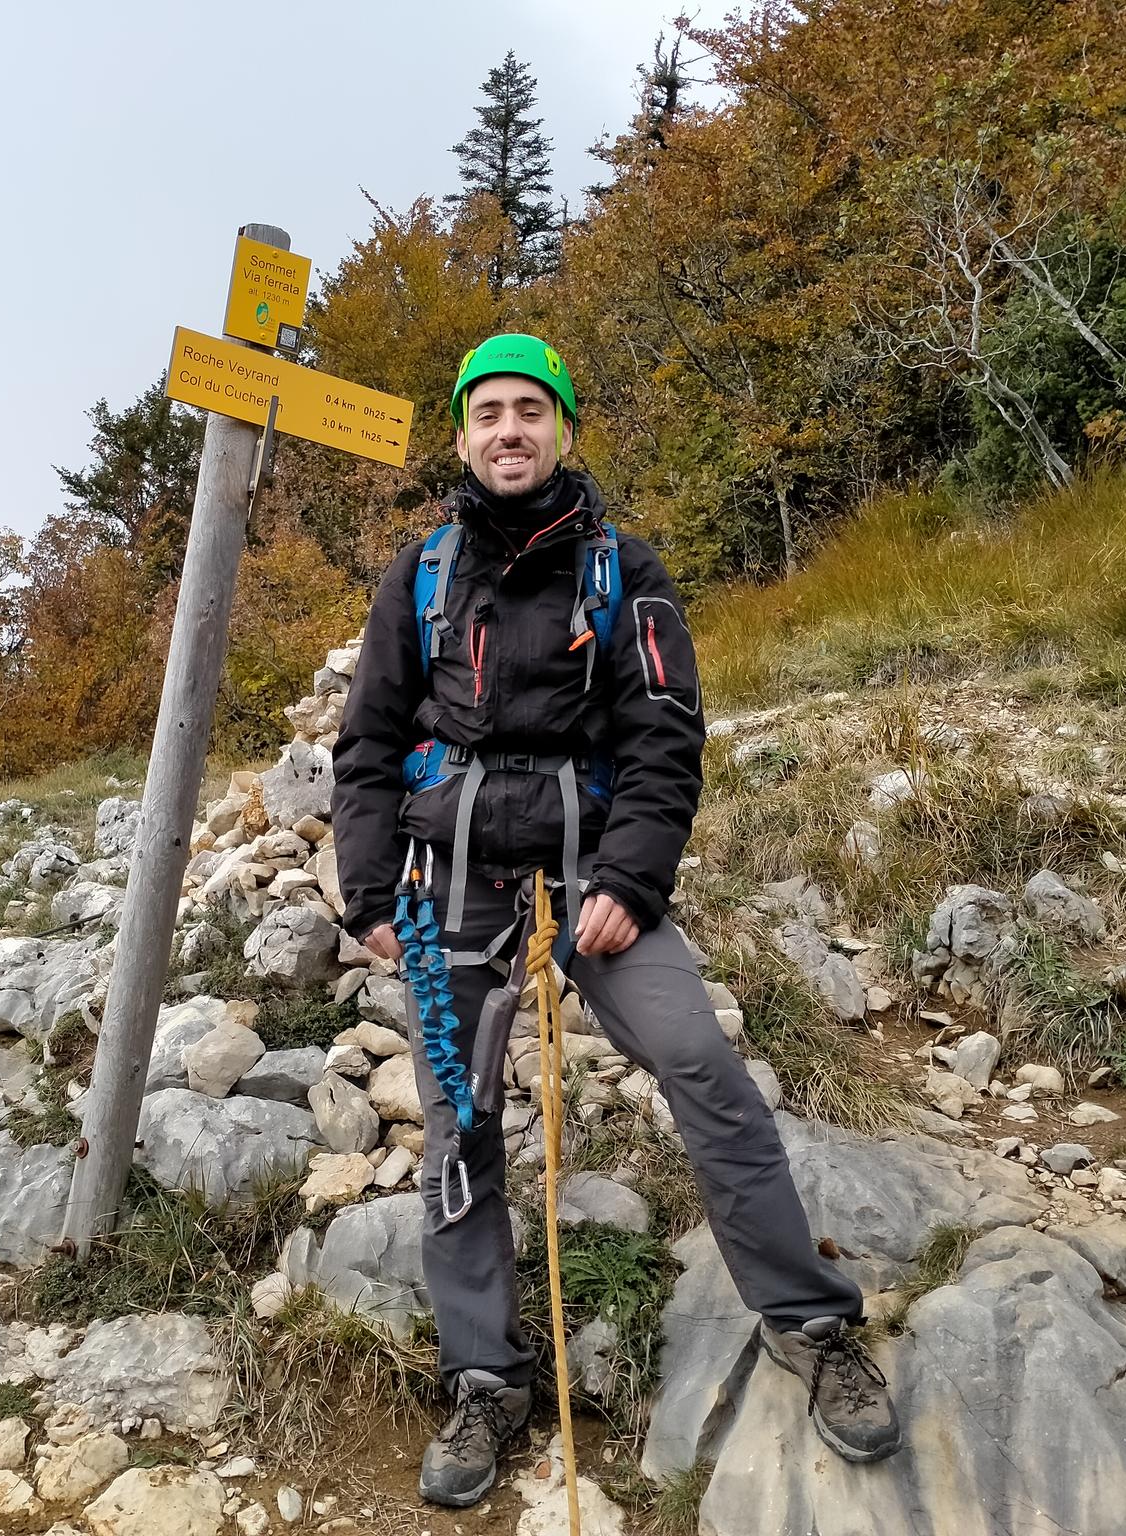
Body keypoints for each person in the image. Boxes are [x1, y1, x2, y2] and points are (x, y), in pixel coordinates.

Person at [331, 334, 901, 1508]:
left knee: (701, 1065)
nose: (508, 430)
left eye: (528, 410)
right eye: (487, 412)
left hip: (592, 876)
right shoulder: (420, 573)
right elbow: (368, 742)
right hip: (449, 884)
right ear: (460, 436)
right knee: (458, 1127)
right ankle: (485, 1377)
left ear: (563, 429)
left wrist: (630, 883)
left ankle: (806, 1321)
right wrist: (370, 888)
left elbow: (662, 738)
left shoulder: (623, 570)